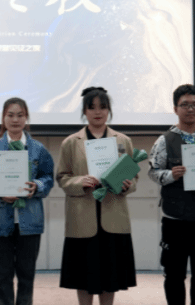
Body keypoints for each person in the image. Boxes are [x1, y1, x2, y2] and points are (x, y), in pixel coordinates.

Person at [56, 87, 137, 305]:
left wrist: (126, 185)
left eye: (102, 107)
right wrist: (79, 182)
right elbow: (62, 178)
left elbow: (134, 178)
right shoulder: (71, 142)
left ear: (109, 110)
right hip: (82, 218)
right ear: (84, 111)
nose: (97, 112)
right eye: (92, 108)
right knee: (83, 277)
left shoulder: (123, 141)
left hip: (113, 217)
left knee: (111, 277)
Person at [147, 84, 195, 305]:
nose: (190, 109)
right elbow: (153, 172)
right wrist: (170, 175)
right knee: (174, 274)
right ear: (175, 108)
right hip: (176, 220)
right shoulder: (164, 140)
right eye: (184, 105)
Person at [0, 97, 55, 305]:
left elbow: (48, 178)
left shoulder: (38, 149)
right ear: (3, 118)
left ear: (26, 118)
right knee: (3, 276)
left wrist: (37, 186)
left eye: (20, 115)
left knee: (27, 276)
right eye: (10, 115)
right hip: (0, 222)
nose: (15, 119)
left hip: (30, 222)